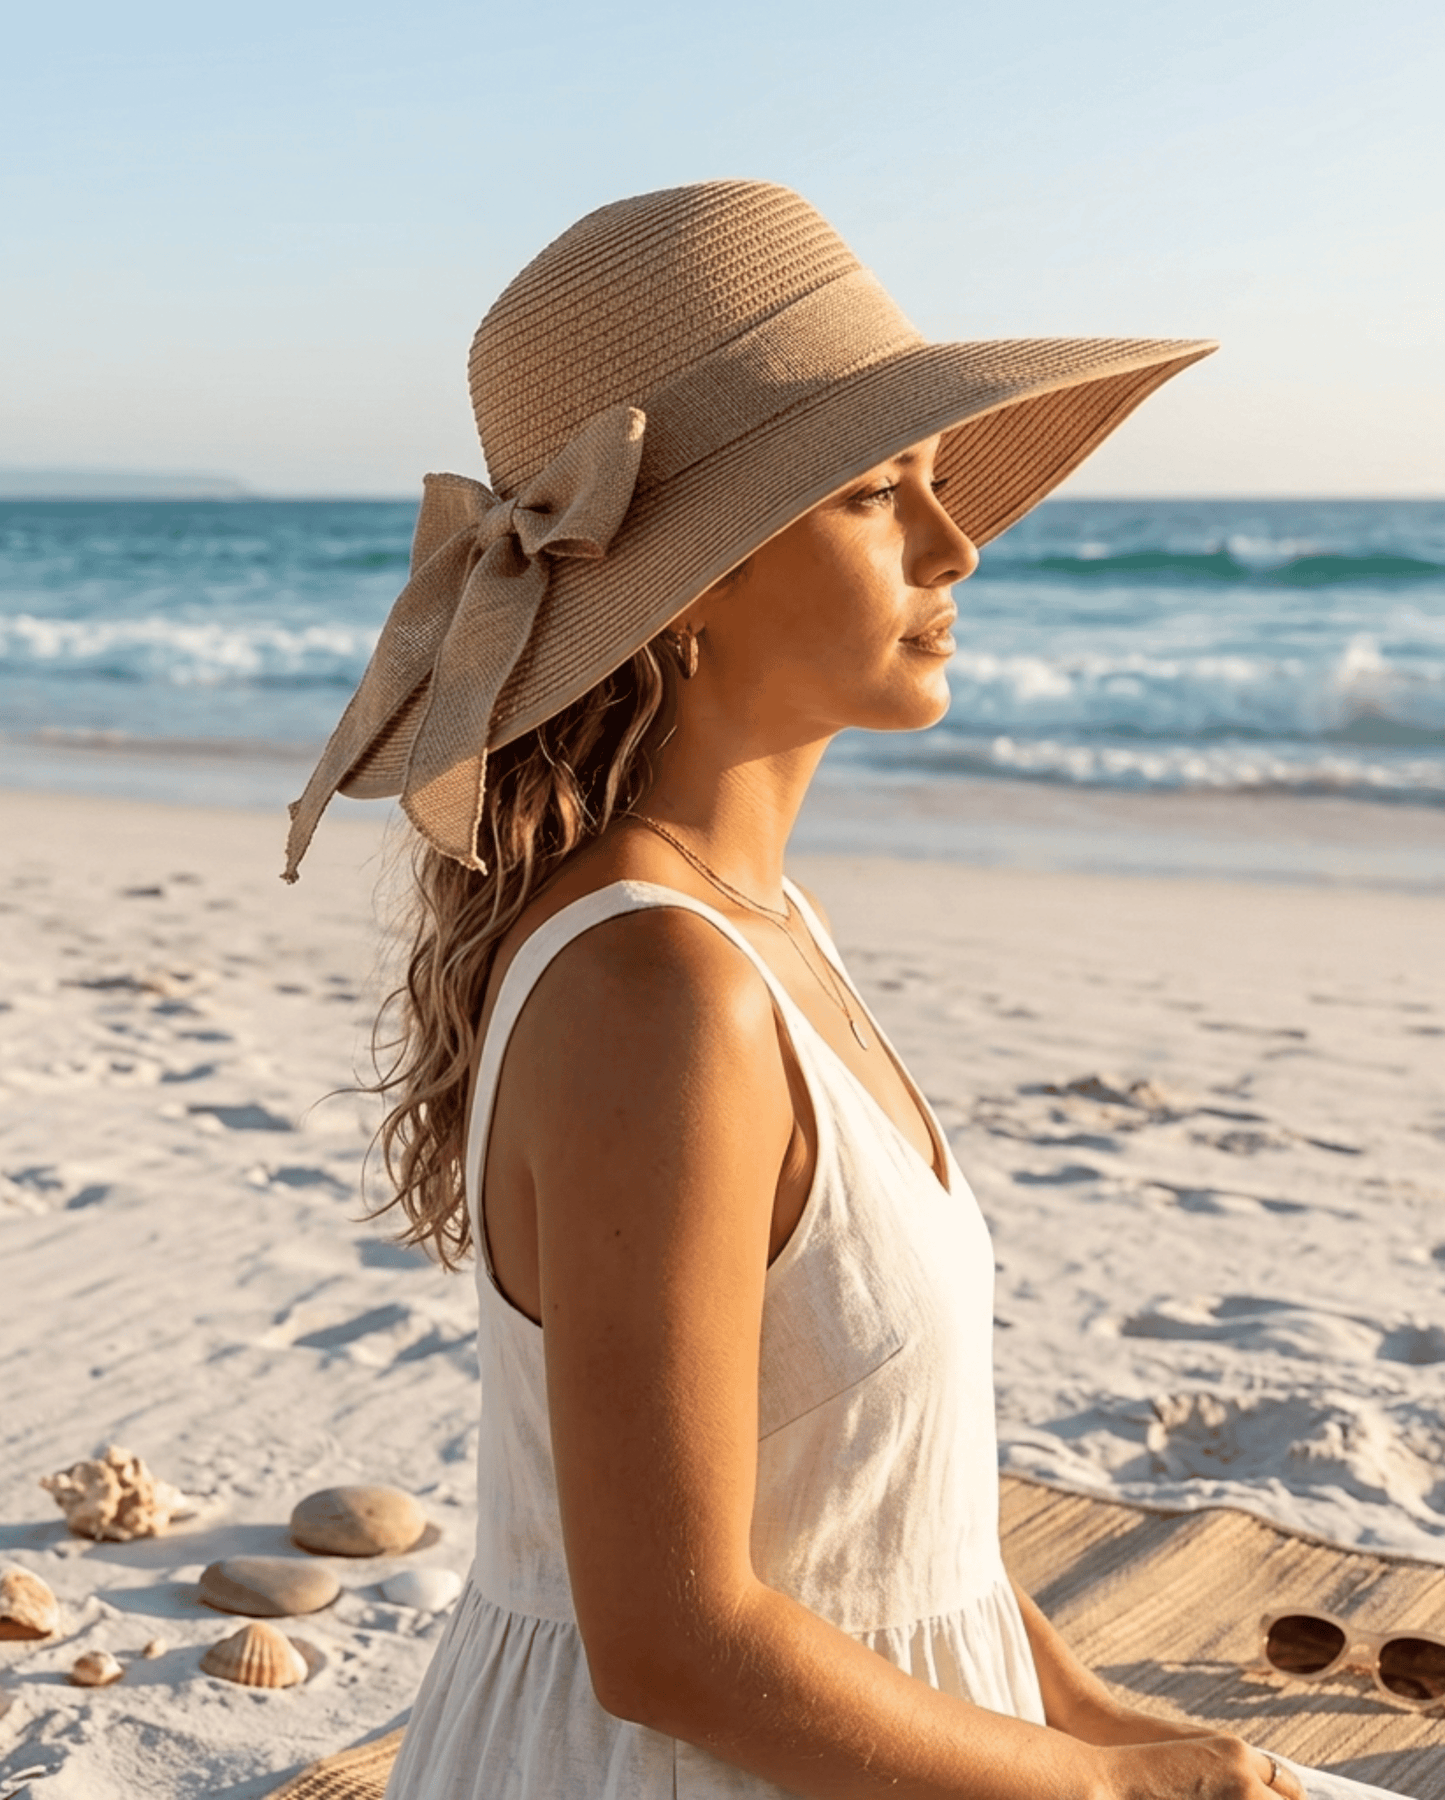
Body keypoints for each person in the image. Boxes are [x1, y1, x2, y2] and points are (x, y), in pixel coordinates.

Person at [286, 182, 1408, 1800]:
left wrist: (1100, 1718)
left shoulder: (755, 926)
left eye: (936, 483)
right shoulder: (655, 991)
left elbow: (884, 1509)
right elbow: (669, 1638)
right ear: (693, 580)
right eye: (880, 492)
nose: (959, 544)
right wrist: (1108, 1789)